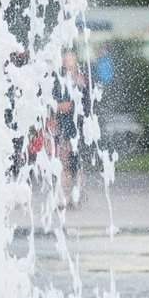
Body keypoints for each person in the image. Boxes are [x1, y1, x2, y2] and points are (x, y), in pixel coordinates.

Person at [53, 49, 88, 206]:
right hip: (64, 125)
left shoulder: (82, 79)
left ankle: (77, 194)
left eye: (70, 59)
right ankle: (64, 196)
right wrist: (59, 106)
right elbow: (51, 101)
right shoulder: (58, 79)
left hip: (80, 127)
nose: (67, 62)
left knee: (78, 163)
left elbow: (89, 103)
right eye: (65, 59)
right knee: (64, 162)